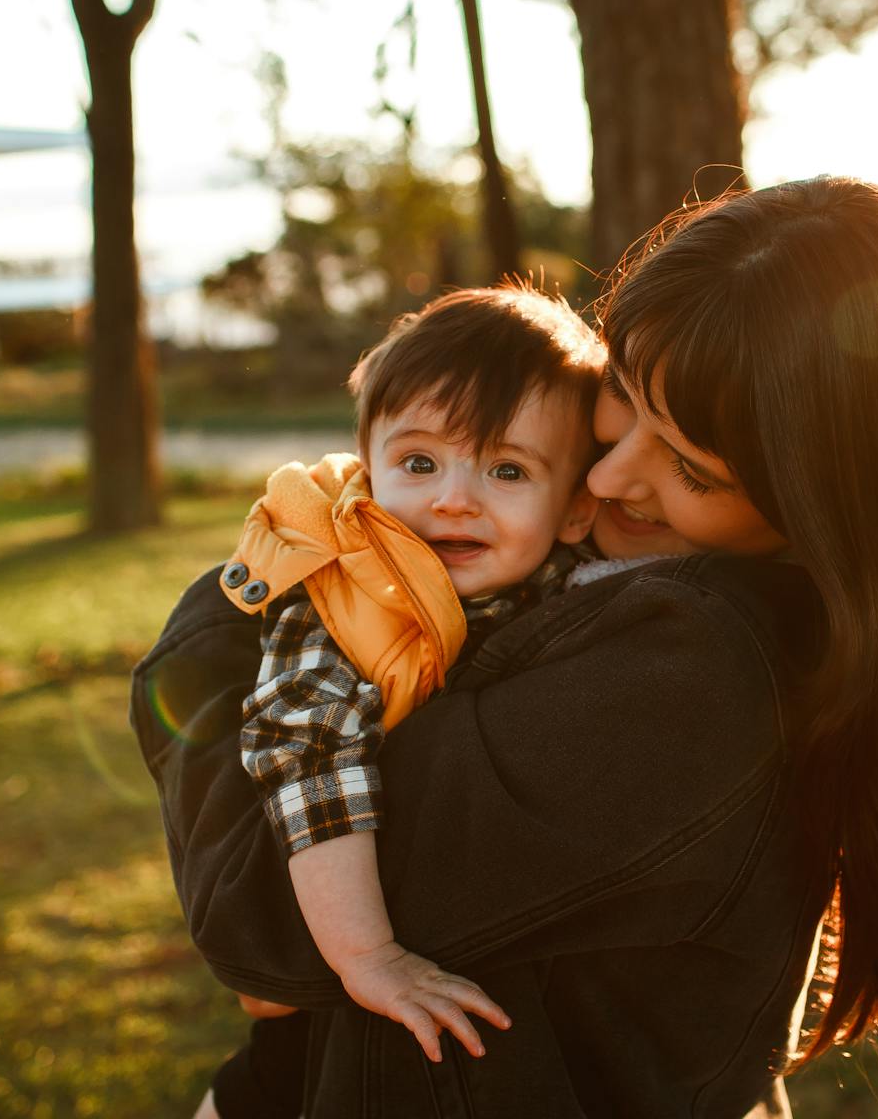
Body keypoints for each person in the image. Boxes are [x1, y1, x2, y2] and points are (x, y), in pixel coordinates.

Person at [134, 177, 878, 1117]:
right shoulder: (587, 569)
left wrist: (233, 611)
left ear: (824, 503)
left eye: (691, 467)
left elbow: (259, 922)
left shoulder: (693, 676)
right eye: (622, 398)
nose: (610, 477)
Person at [216, 285, 611, 1076]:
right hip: (329, 944)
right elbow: (307, 759)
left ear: (574, 510)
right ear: (367, 473)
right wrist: (368, 955)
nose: (453, 499)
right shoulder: (343, 597)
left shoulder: (576, 586)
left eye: (506, 469)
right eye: (419, 462)